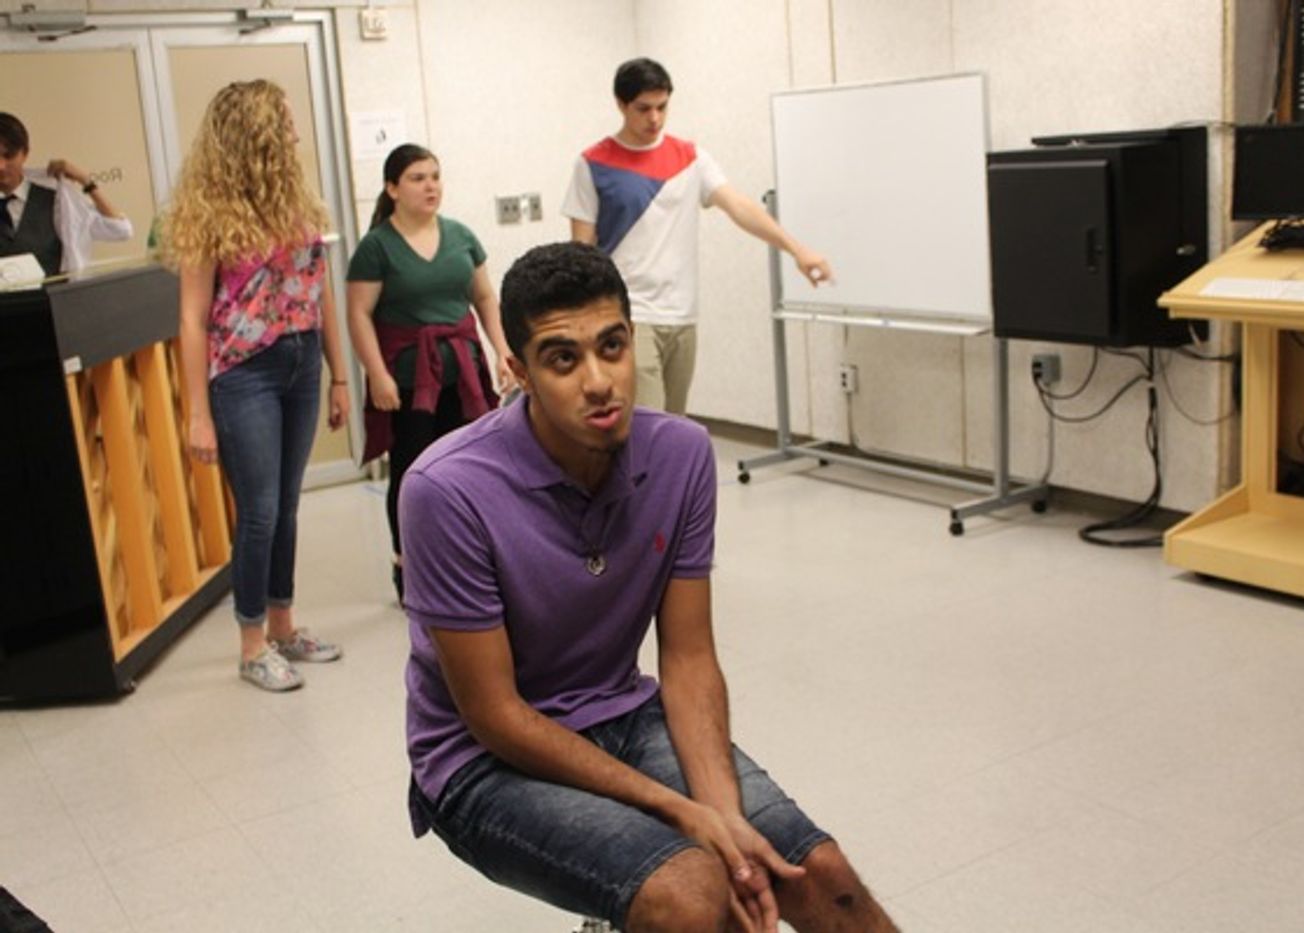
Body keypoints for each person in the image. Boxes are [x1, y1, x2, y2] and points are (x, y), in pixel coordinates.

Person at [399, 242, 895, 932]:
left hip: (624, 713)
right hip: (479, 761)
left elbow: (688, 656)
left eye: (612, 346)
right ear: (518, 372)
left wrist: (723, 814)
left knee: (821, 876)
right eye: (563, 359)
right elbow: (494, 714)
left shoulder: (681, 454)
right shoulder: (445, 489)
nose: (599, 381)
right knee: (694, 894)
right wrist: (679, 811)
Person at [163, 80, 349, 692]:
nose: (294, 133)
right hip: (244, 374)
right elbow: (191, 320)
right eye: (284, 122)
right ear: (256, 132)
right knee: (260, 511)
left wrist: (339, 374)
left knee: (287, 505)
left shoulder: (299, 203)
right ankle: (251, 644)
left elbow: (320, 293)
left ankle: (283, 626)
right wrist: (197, 413)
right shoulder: (207, 214)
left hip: (301, 362)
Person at [562, 57, 832, 415]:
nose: (654, 118)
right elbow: (581, 249)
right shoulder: (593, 163)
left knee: (674, 423)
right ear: (621, 105)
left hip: (682, 313)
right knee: (649, 423)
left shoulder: (691, 158)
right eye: (643, 109)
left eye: (662, 107)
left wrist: (797, 250)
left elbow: (738, 206)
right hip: (627, 312)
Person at [345, 143, 511, 604]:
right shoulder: (376, 247)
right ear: (392, 188)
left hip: (464, 373)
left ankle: (472, 557)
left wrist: (503, 351)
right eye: (417, 178)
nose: (430, 186)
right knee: (413, 471)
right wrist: (376, 373)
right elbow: (358, 314)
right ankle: (409, 564)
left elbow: (484, 298)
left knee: (472, 465)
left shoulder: (461, 236)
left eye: (435, 176)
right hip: (407, 381)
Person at [0, 112, 133, 277]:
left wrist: (85, 181)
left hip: (54, 292)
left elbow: (121, 230)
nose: (1, 166)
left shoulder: (57, 200)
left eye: (8, 156)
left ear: (25, 153)